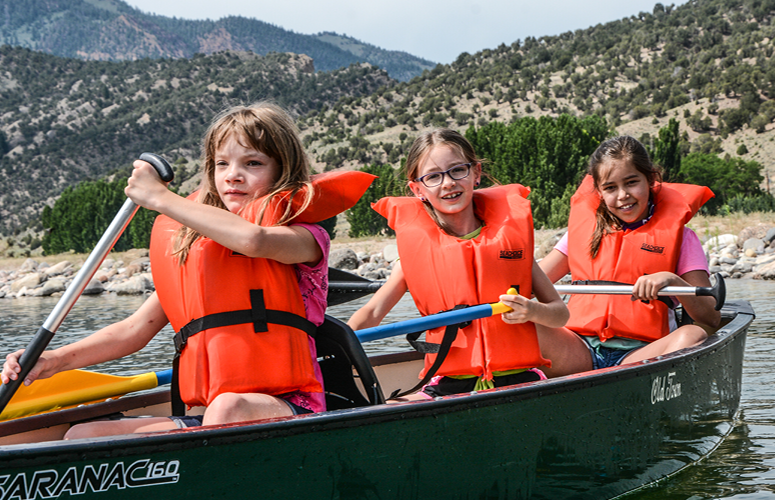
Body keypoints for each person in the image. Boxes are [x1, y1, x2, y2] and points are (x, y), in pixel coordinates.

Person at [1, 103, 372, 437]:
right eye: (222, 164)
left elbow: (253, 240)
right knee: (84, 436)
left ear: (283, 170)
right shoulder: (196, 251)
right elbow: (133, 331)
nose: (233, 176)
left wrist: (161, 198)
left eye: (253, 163)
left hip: (292, 408)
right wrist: (52, 361)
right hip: (211, 416)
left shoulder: (302, 237)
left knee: (229, 406)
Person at [347, 129, 568, 398]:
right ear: (417, 189)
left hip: (519, 378)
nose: (448, 182)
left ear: (476, 173)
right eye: (433, 176)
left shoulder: (511, 245)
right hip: (449, 382)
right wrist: (335, 348)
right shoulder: (413, 259)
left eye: (457, 170)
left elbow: (560, 313)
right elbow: (371, 314)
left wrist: (532, 311)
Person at [537, 135, 720, 377]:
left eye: (631, 182)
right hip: (578, 348)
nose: (623, 195)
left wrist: (671, 280)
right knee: (518, 322)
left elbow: (710, 317)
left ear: (651, 179)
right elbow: (534, 283)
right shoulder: (580, 233)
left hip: (641, 356)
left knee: (693, 334)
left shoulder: (683, 239)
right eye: (610, 188)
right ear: (599, 192)